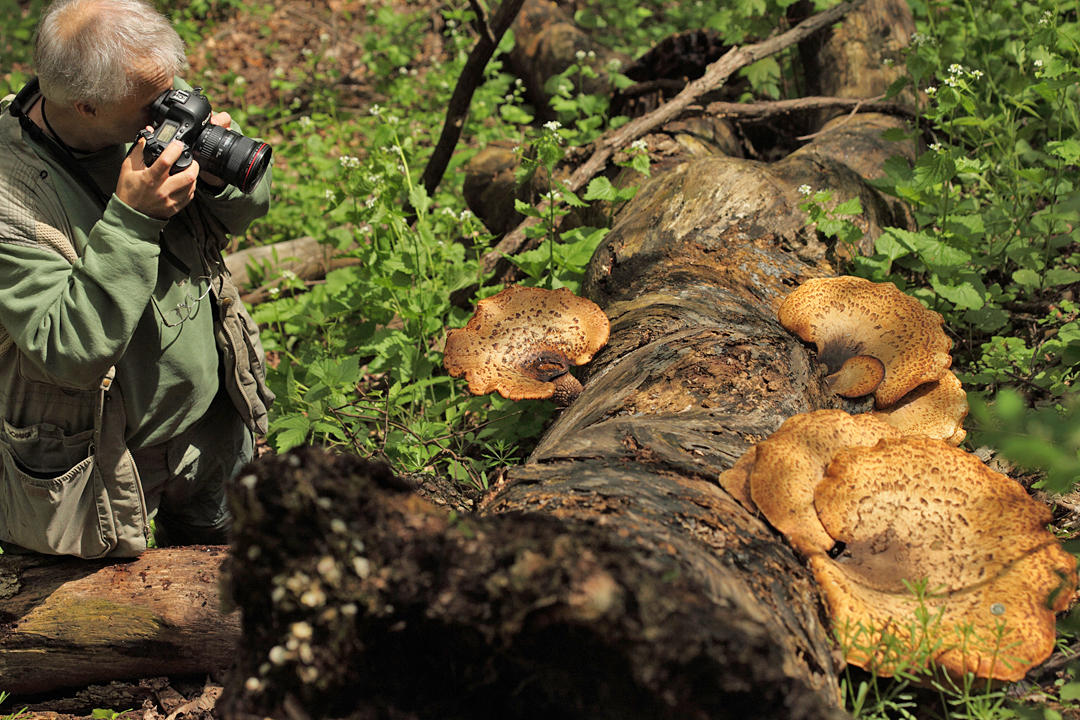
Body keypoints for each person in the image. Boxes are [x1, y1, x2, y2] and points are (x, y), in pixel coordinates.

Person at [0, 0, 274, 557]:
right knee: (114, 626)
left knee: (236, 590)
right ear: (87, 107)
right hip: (103, 461)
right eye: (153, 103)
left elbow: (253, 202)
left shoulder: (140, 90)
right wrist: (134, 219)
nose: (170, 108)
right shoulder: (11, 198)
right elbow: (69, 350)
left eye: (171, 89)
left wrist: (221, 179)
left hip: (213, 422)